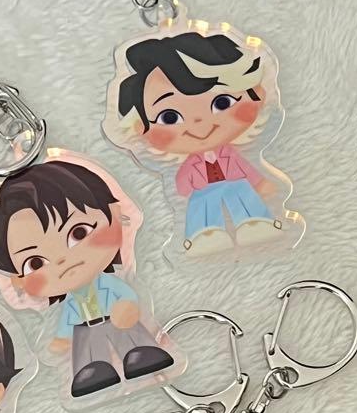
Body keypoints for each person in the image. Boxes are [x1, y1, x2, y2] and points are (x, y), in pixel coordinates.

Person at [0, 159, 173, 397]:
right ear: (18, 280)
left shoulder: (109, 284)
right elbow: (68, 323)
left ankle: (142, 353)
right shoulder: (70, 303)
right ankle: (92, 370)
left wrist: (127, 308)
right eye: (35, 263)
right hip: (87, 329)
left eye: (78, 233)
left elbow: (127, 298)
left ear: (114, 214)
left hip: (119, 320)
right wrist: (62, 340)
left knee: (127, 330)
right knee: (84, 338)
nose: (62, 260)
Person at [107, 30, 283, 255]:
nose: (199, 123)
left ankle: (256, 222)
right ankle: (204, 234)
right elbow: (182, 186)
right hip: (202, 190)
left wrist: (259, 184)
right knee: (201, 202)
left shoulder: (230, 155)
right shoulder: (190, 163)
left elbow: (246, 171)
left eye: (222, 102)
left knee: (242, 190)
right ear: (141, 129)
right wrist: (184, 188)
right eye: (169, 117)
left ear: (257, 95)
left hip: (234, 182)